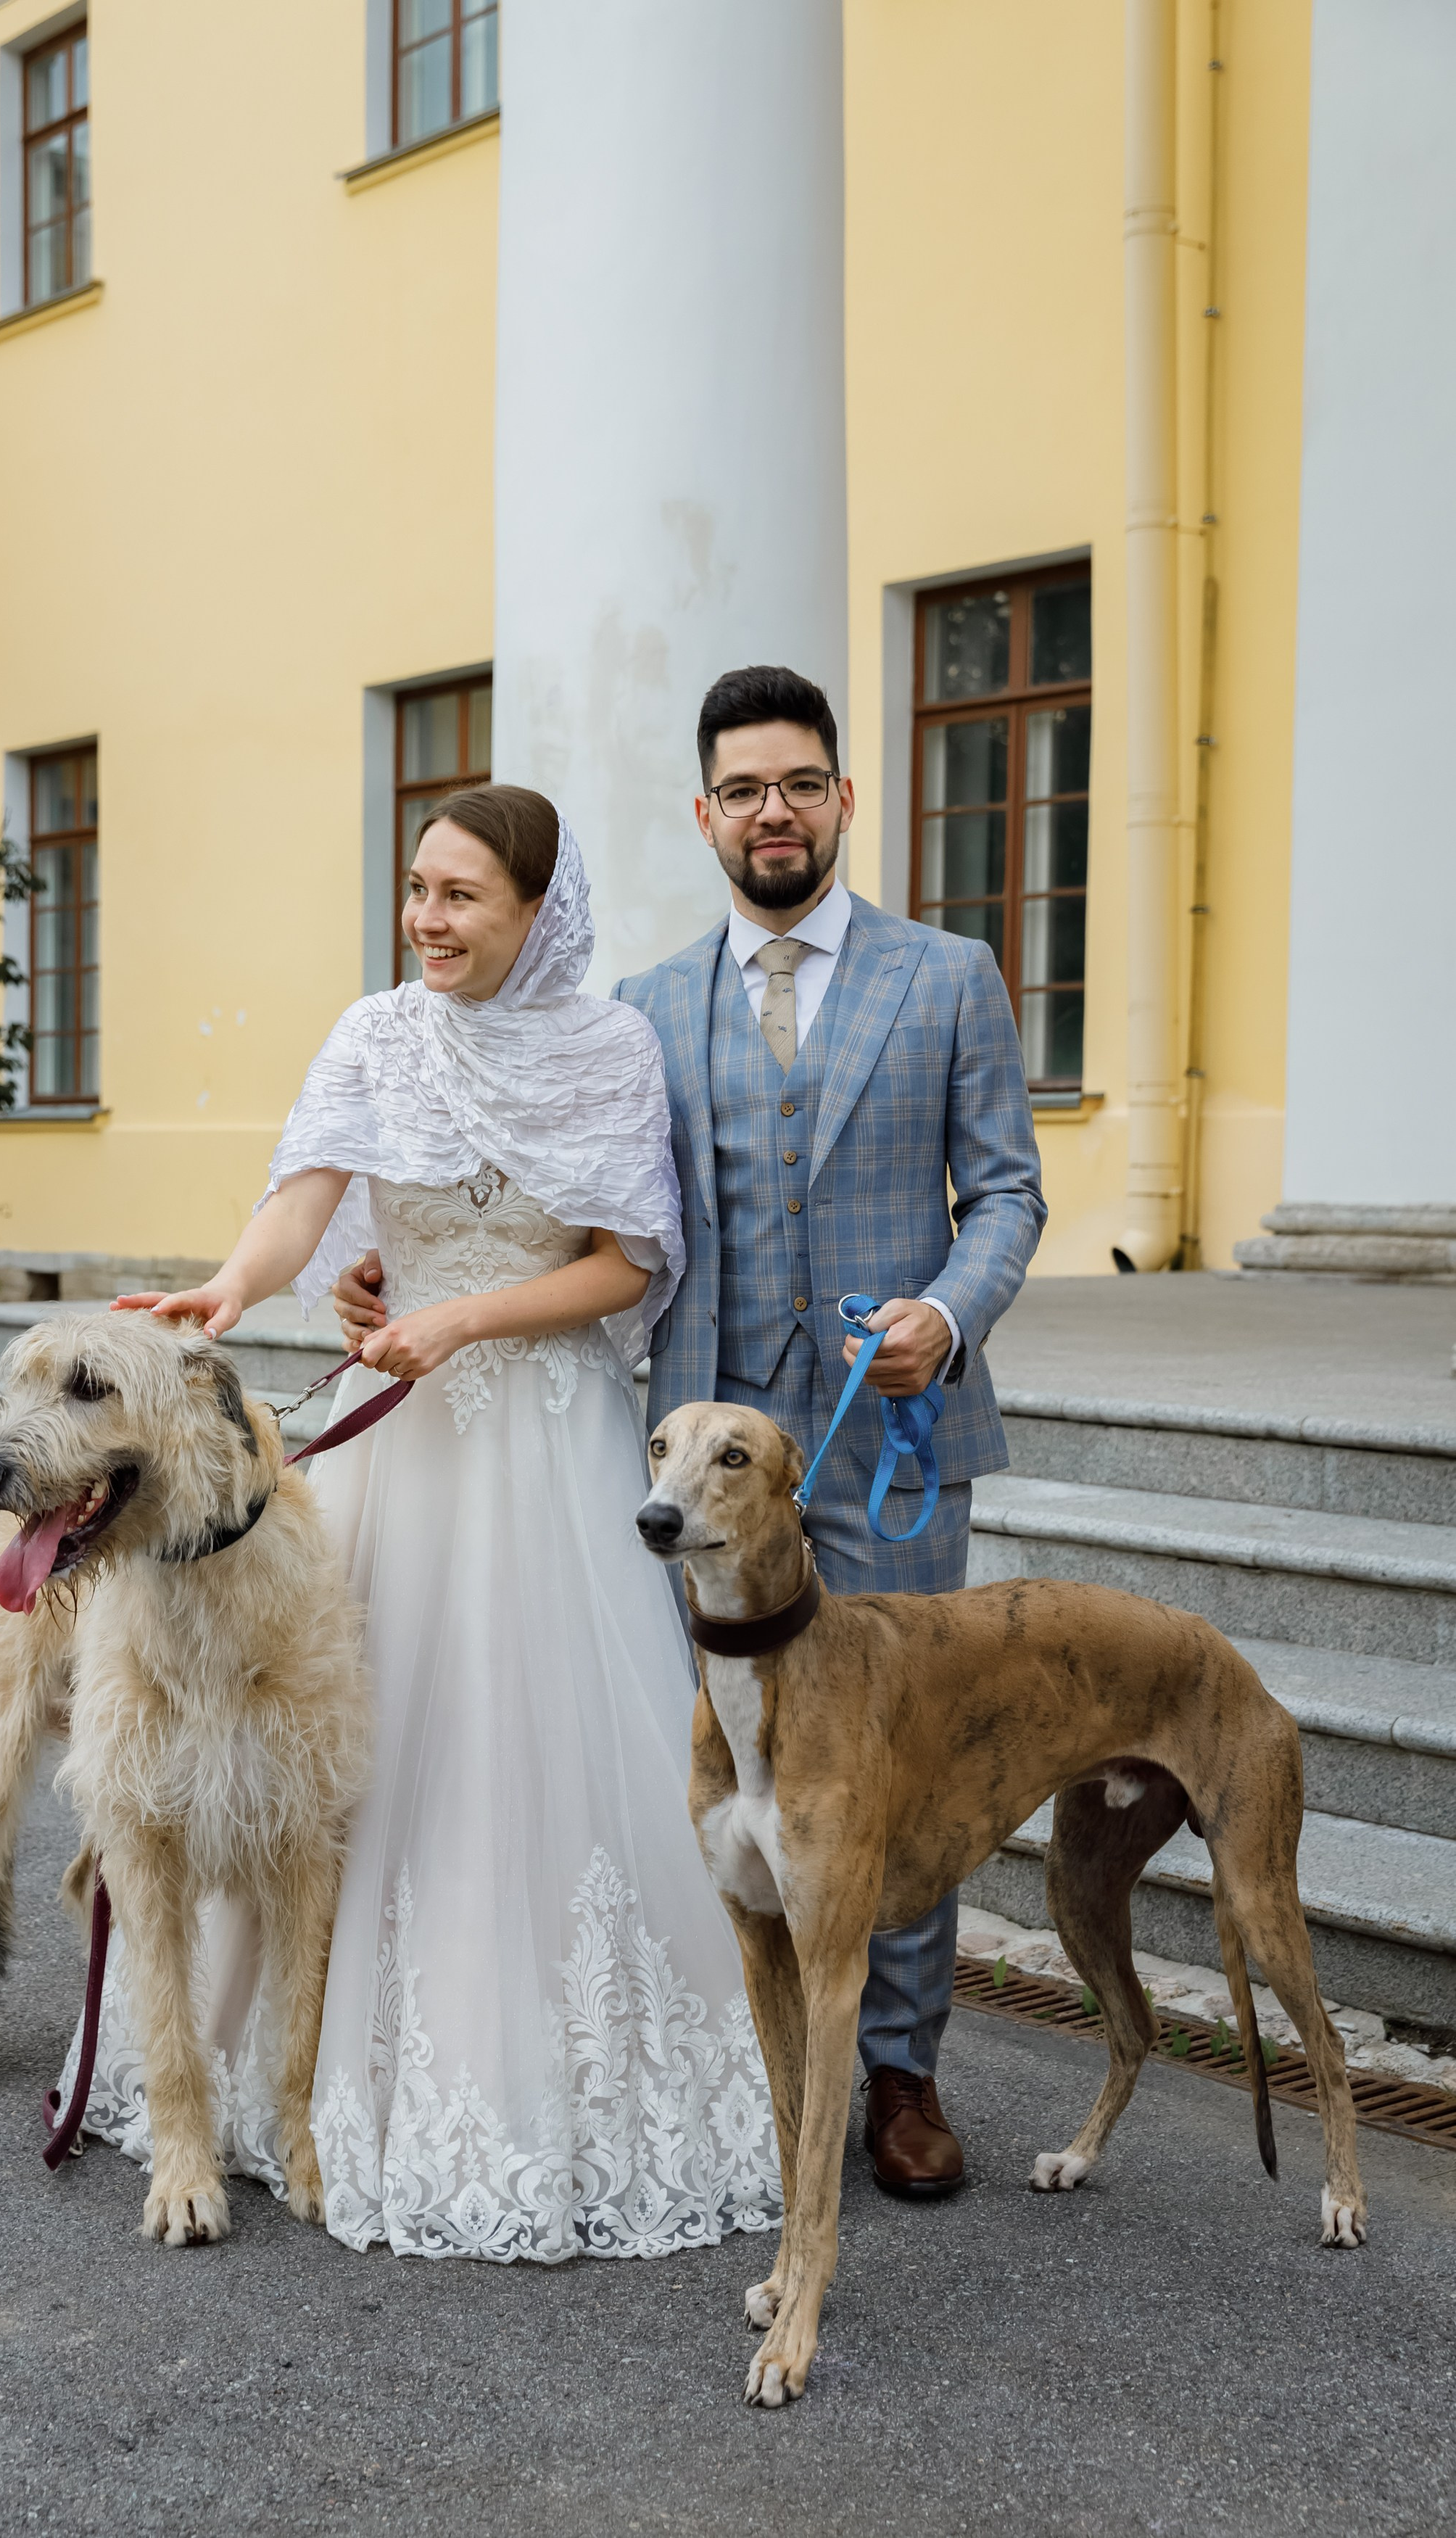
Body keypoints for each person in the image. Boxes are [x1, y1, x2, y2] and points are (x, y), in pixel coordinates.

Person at [354, 669, 1044, 2199]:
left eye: (800, 783)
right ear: (705, 814)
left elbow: (1006, 1193)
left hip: (887, 1440)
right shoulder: (645, 1011)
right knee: (727, 1761)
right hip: (704, 1463)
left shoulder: (950, 978)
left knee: (899, 1751)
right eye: (744, 790)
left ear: (845, 799)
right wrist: (393, 1265)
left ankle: (902, 2076)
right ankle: (756, 2065)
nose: (773, 812)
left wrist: (949, 1308)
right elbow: (566, 1198)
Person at [67, 785, 782, 2264]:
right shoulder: (376, 1033)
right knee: (350, 1758)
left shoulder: (609, 1046)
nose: (428, 920)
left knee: (522, 1755)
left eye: (463, 896)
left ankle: (559, 2085)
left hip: (543, 1449)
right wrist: (232, 1287)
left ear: (537, 912)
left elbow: (624, 1266)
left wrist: (462, 1315)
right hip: (396, 1463)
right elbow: (306, 1196)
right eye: (417, 888)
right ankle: (285, 2084)